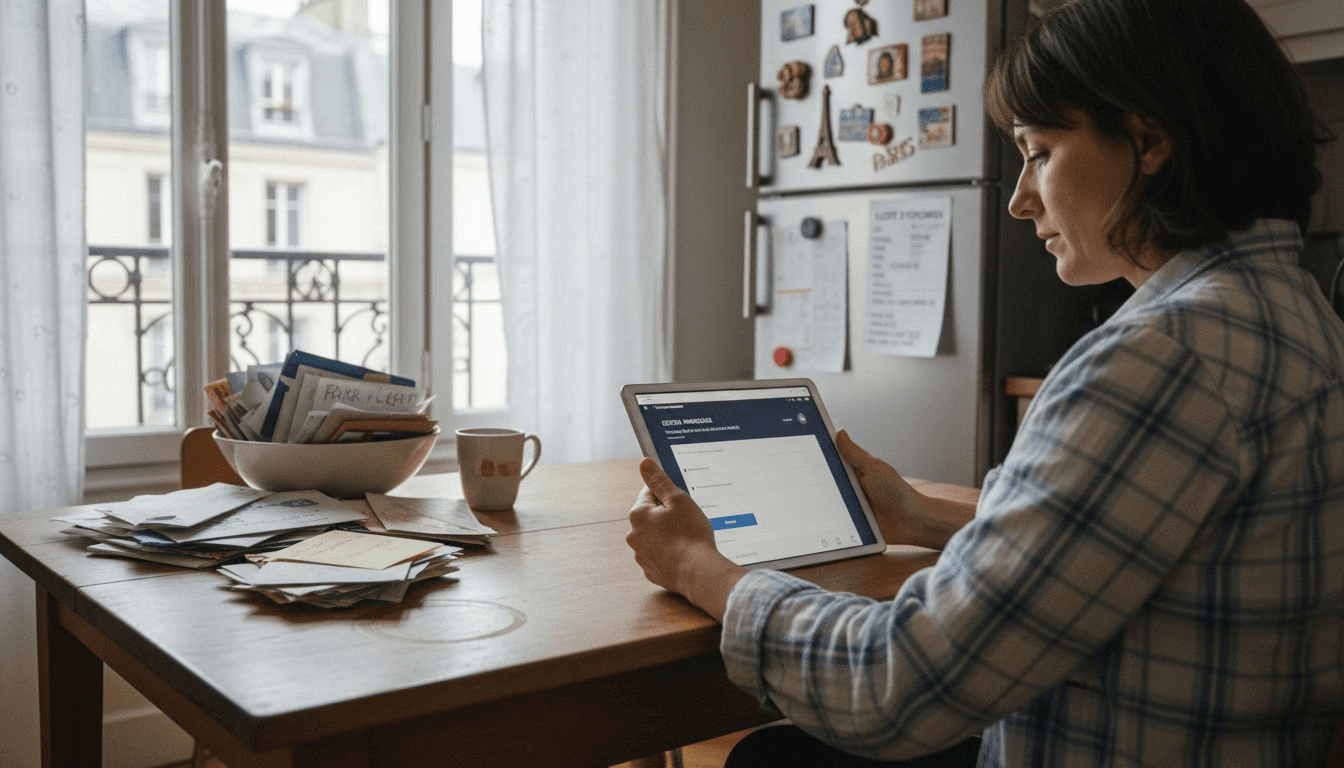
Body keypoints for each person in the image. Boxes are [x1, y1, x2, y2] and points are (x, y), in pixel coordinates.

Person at [625, 0, 1343, 765]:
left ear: (1150, 139)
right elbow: (1142, 551)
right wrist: (925, 518)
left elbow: (896, 686)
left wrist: (700, 568)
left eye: (1038, 152)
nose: (1018, 197)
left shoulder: (1156, 362)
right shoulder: (1300, 316)